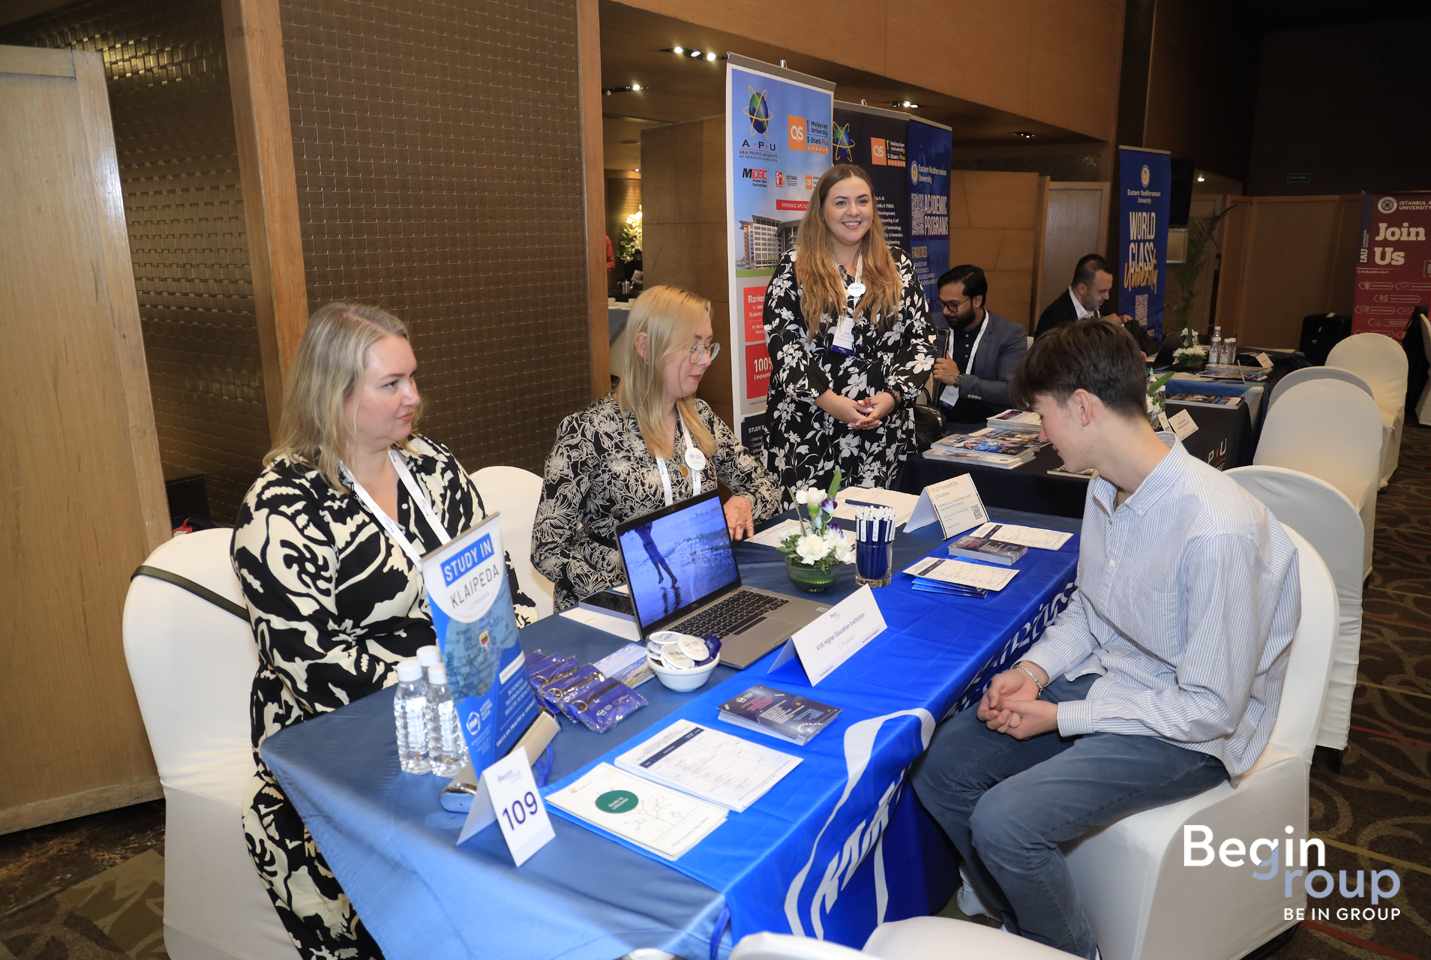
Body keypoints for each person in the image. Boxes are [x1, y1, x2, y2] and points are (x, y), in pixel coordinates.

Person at [911, 320, 1299, 958]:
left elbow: (1209, 708)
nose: (1042, 434)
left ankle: (1067, 950)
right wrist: (1033, 673)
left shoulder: (1216, 528)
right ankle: (1020, 921)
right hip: (1115, 681)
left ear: (1084, 406)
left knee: (1005, 821)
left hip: (1189, 730)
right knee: (942, 767)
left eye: (1043, 416)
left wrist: (1063, 716)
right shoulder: (1104, 486)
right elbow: (1092, 612)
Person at [231, 302, 536, 960]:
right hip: (342, 742)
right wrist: (451, 694)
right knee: (451, 880)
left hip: (467, 705)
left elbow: (496, 583)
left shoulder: (432, 465)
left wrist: (516, 660)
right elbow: (315, 671)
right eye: (391, 384)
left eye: (412, 378)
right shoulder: (280, 509)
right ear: (333, 394)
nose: (414, 397)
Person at [533, 284, 782, 611]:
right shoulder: (588, 432)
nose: (705, 360)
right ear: (645, 347)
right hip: (614, 607)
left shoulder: (699, 418)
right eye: (693, 347)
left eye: (708, 346)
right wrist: (630, 590)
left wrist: (744, 502)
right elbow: (547, 549)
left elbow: (767, 486)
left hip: (694, 591)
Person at [762, 163, 936, 492]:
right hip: (810, 426)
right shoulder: (794, 266)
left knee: (882, 519)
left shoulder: (897, 264)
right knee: (814, 524)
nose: (853, 212)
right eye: (841, 202)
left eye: (862, 201)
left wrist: (893, 396)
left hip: (883, 426)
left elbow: (922, 339)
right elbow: (784, 344)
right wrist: (831, 402)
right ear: (821, 210)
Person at [930, 263, 1029, 427]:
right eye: (942, 303)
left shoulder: (1009, 333)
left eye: (953, 305)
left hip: (987, 425)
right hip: (937, 423)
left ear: (977, 300)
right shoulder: (932, 325)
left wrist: (959, 380)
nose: (946, 311)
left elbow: (1012, 392)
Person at [1035, 253, 1155, 354]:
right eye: (1102, 291)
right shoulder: (1055, 316)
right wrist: (1098, 326)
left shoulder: (1100, 308)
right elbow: (1061, 360)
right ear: (1082, 289)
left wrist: (1123, 328)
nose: (1107, 297)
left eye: (1108, 290)